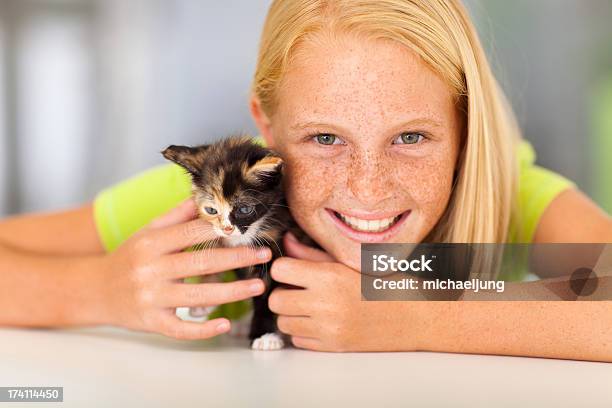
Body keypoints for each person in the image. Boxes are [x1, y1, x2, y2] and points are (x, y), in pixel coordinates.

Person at [1, 0, 611, 360]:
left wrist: (410, 317)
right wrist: (98, 290)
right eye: (324, 139)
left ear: (464, 131)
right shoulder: (226, 202)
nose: (368, 188)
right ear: (264, 124)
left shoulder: (505, 189)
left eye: (411, 137)